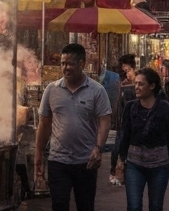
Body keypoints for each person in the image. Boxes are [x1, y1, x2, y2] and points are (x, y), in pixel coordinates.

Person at [36, 43, 113, 211]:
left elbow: (105, 121)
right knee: (59, 204)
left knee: (85, 205)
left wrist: (98, 148)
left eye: (70, 63)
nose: (66, 68)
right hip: (58, 160)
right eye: (63, 63)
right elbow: (44, 123)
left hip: (86, 161)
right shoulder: (52, 90)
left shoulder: (96, 90)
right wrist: (38, 154)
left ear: (82, 64)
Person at [114, 68, 169, 211]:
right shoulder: (130, 107)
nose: (136, 87)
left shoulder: (163, 107)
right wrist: (119, 160)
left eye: (141, 84)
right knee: (134, 206)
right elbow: (123, 135)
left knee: (156, 206)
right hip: (134, 164)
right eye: (136, 84)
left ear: (152, 86)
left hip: (159, 166)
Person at [111, 54, 138, 186]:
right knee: (120, 146)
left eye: (127, 70)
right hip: (125, 123)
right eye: (125, 70)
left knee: (122, 146)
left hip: (131, 124)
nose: (126, 73)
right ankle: (116, 172)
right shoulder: (124, 85)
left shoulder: (133, 86)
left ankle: (120, 171)